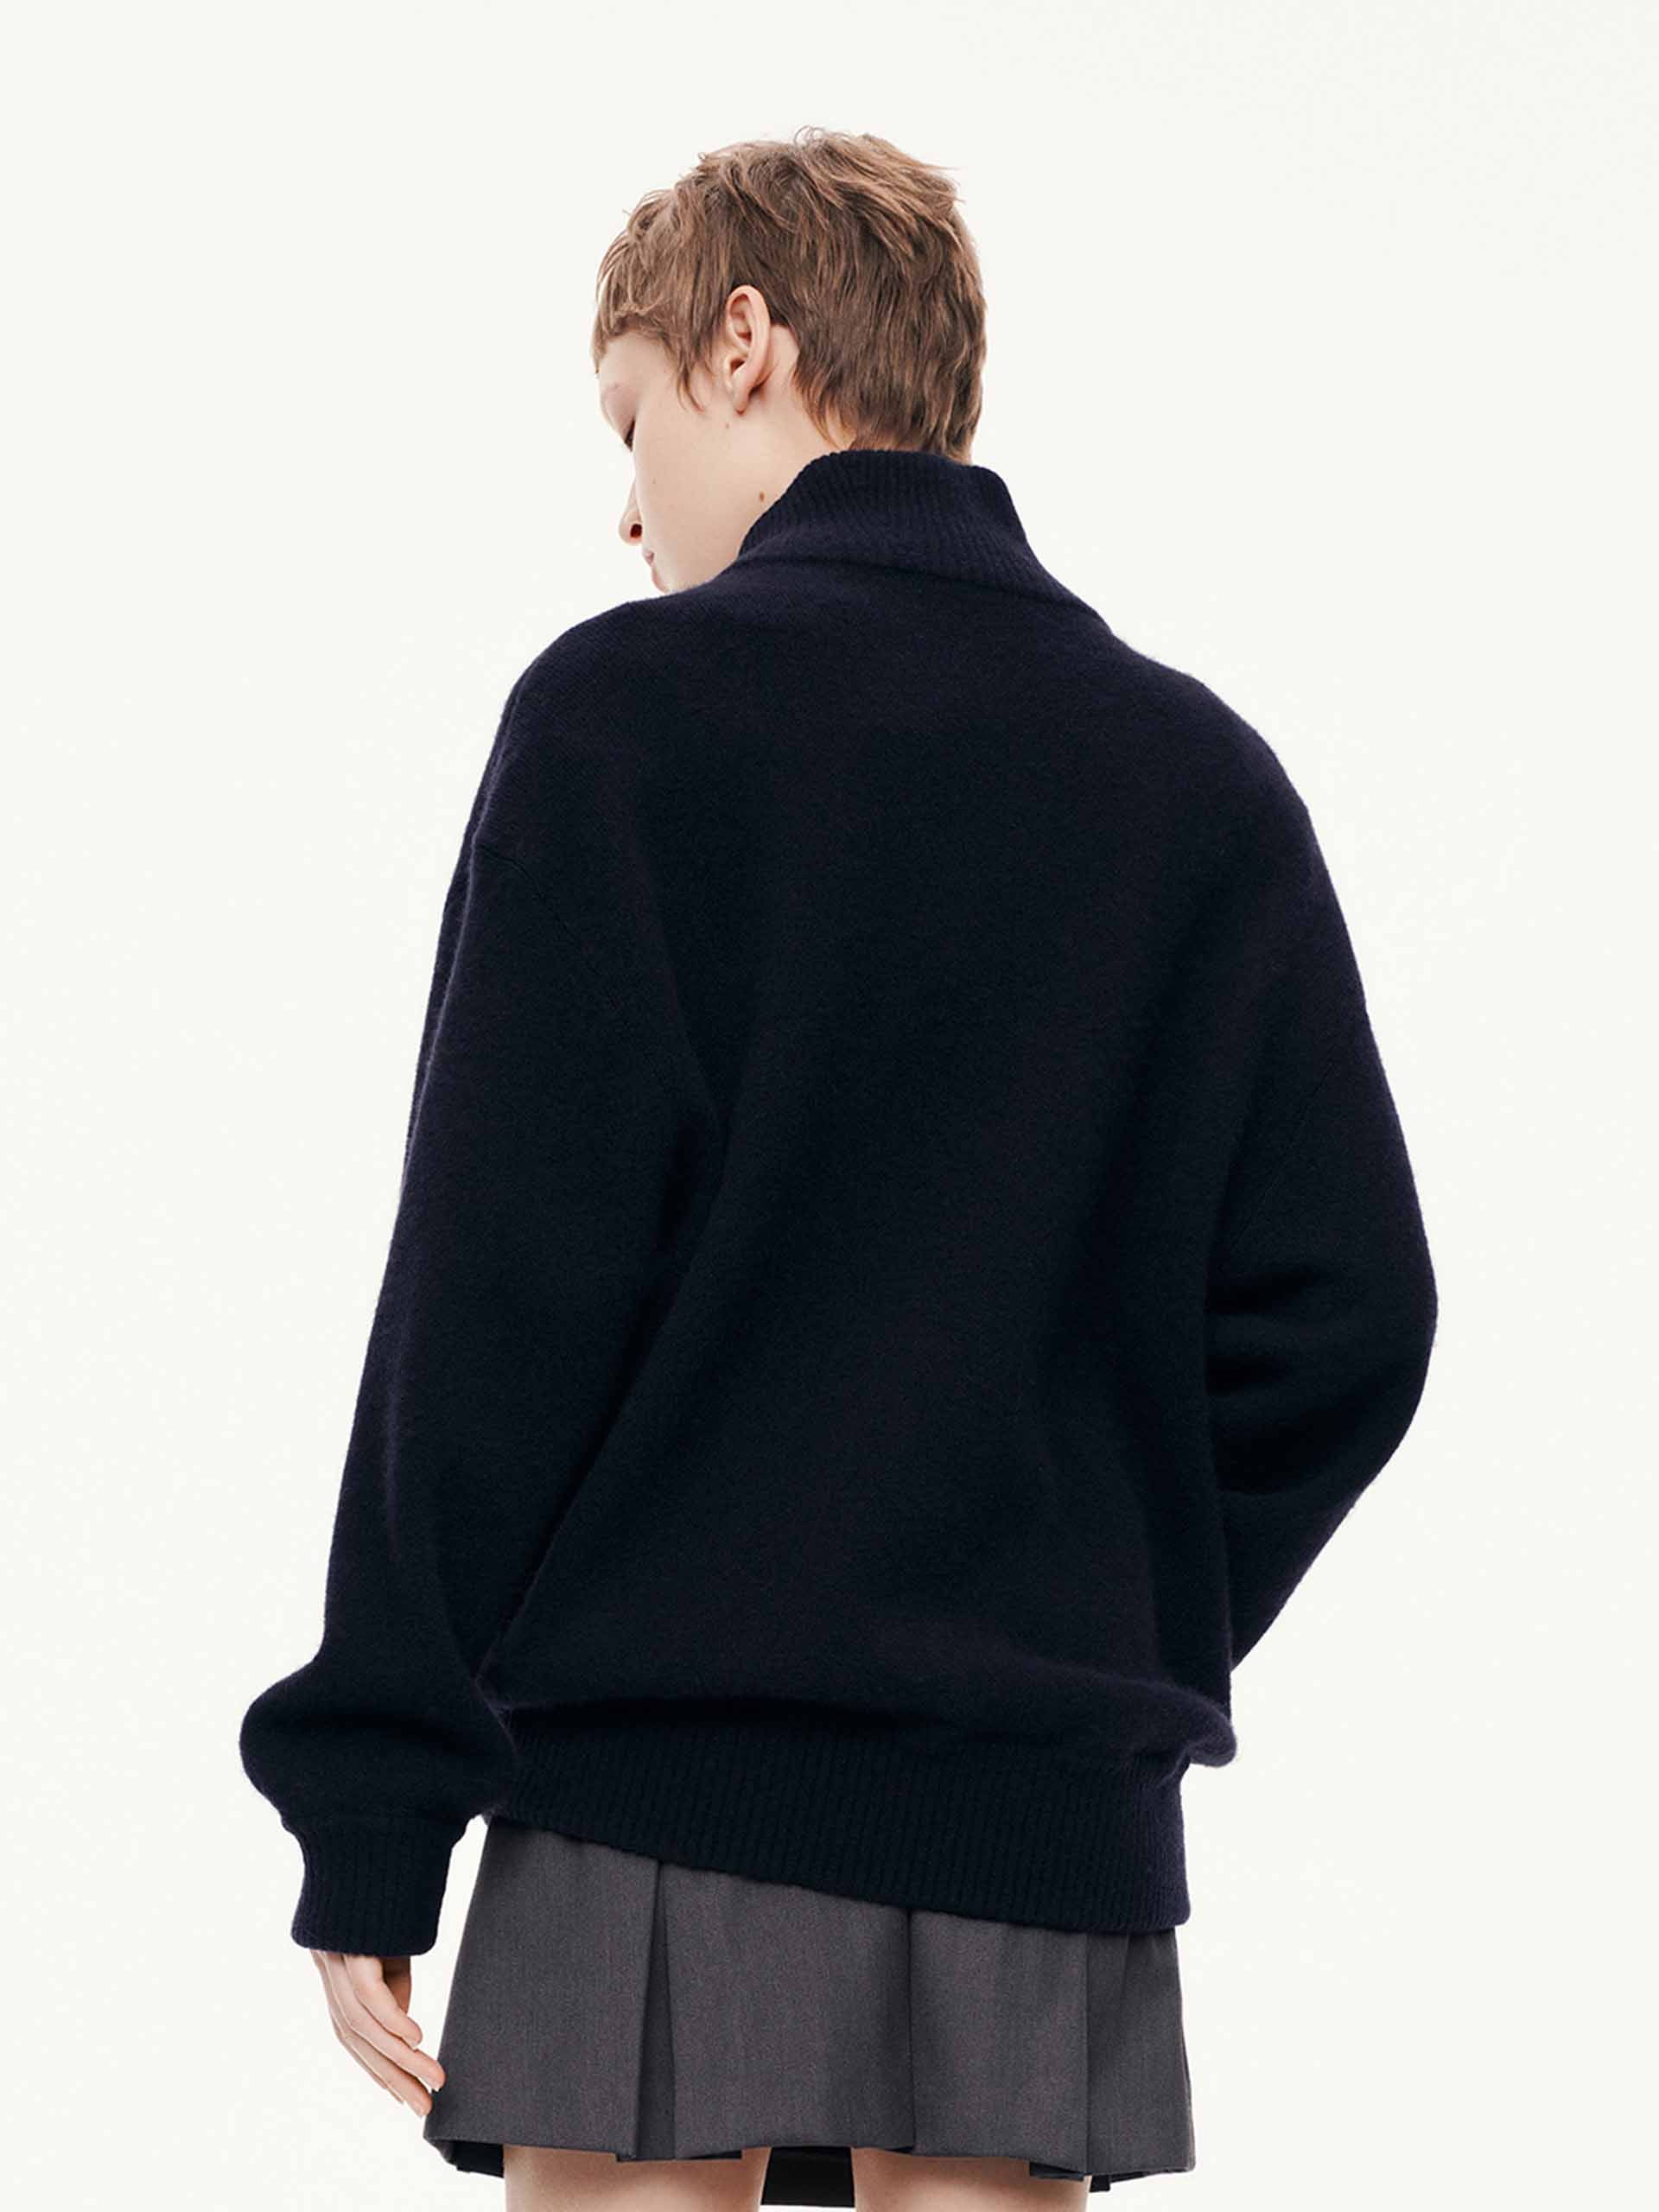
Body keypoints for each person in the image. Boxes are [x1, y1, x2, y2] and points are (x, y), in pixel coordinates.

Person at [238, 127, 1438, 2209]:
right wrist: (1089, 1605)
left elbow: (498, 1296)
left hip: (649, 1770)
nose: (627, 507)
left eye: (628, 420)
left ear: (744, 343)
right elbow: (1347, 1314)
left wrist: (376, 1791)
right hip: (1035, 1812)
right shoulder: (1195, 776)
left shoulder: (629, 718)